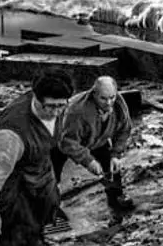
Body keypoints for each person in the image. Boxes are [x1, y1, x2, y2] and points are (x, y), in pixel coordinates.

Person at [0, 70, 74, 246]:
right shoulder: (9, 135)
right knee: (8, 227)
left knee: (46, 203)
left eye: (61, 106)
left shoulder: (58, 107)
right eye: (50, 106)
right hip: (1, 173)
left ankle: (36, 237)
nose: (56, 112)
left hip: (33, 158)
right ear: (36, 98)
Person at [51, 76, 135, 211]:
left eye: (112, 97)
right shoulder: (76, 111)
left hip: (97, 138)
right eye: (103, 99)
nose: (109, 103)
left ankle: (116, 197)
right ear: (94, 94)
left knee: (110, 165)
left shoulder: (119, 103)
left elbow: (124, 129)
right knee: (51, 174)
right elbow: (67, 142)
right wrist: (88, 161)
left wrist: (116, 154)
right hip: (61, 138)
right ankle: (49, 205)